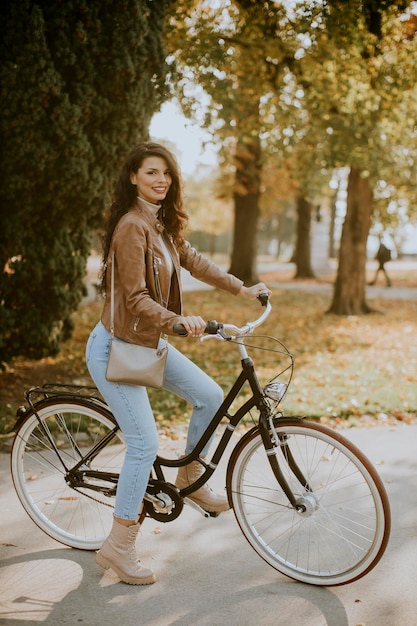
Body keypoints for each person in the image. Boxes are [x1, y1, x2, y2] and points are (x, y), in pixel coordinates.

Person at [86, 142, 271, 585]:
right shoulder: (132, 227)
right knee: (144, 444)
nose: (160, 180)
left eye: (166, 173)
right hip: (115, 347)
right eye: (151, 172)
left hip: (145, 342)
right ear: (133, 176)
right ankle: (119, 545)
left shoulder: (160, 224)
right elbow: (134, 299)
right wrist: (179, 321)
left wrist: (241, 290)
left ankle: (191, 474)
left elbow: (194, 261)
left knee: (208, 396)